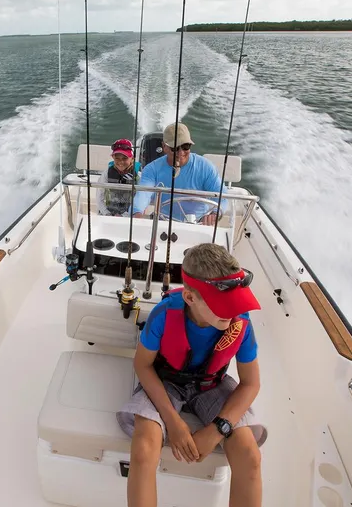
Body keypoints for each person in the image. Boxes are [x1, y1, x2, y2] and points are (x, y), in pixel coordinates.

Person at [117, 243, 267, 507]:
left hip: (213, 385)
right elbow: (143, 366)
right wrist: (172, 422)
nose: (233, 314)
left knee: (250, 457)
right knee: (143, 450)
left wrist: (217, 429)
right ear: (190, 297)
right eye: (223, 305)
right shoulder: (164, 315)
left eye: (236, 304)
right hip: (165, 381)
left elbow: (251, 383)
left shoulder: (240, 323)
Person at [132, 123, 225, 225]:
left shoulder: (206, 167)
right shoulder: (151, 169)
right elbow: (143, 194)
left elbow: (222, 196)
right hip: (163, 221)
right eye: (174, 148)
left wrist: (214, 213)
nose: (180, 153)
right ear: (164, 146)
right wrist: (137, 212)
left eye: (185, 146)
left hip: (199, 223)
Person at [97, 138, 141, 217]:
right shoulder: (107, 173)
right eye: (117, 158)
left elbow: (140, 199)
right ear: (113, 158)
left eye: (125, 158)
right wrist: (107, 213)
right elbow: (99, 196)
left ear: (132, 158)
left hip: (130, 215)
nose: (121, 162)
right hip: (108, 213)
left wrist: (125, 215)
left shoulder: (138, 175)